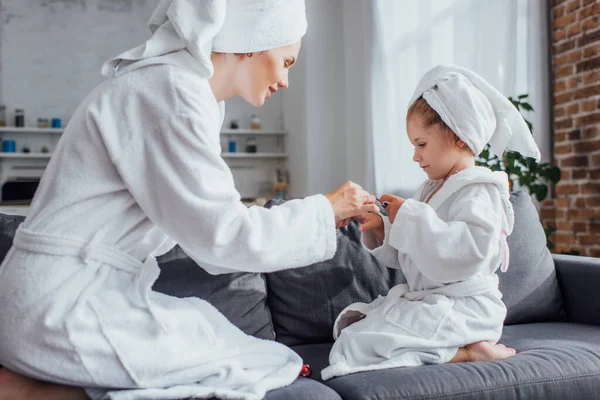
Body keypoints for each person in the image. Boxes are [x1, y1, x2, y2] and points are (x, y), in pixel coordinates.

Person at [0, 1, 378, 399]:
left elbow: (208, 232)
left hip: (60, 299)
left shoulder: (184, 92)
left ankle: (41, 383)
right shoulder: (170, 92)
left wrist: (319, 219)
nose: (285, 80)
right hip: (58, 307)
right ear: (253, 43)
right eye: (286, 61)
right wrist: (324, 209)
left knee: (215, 334)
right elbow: (223, 236)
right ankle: (27, 388)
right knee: (251, 362)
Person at [321, 64, 542, 380]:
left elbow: (470, 252)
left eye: (421, 144)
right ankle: (457, 347)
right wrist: (383, 229)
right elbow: (417, 254)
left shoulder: (480, 189)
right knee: (352, 329)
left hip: (468, 309)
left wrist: (409, 217)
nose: (415, 156)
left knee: (357, 346)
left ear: (460, 138)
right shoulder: (431, 189)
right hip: (435, 301)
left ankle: (468, 352)